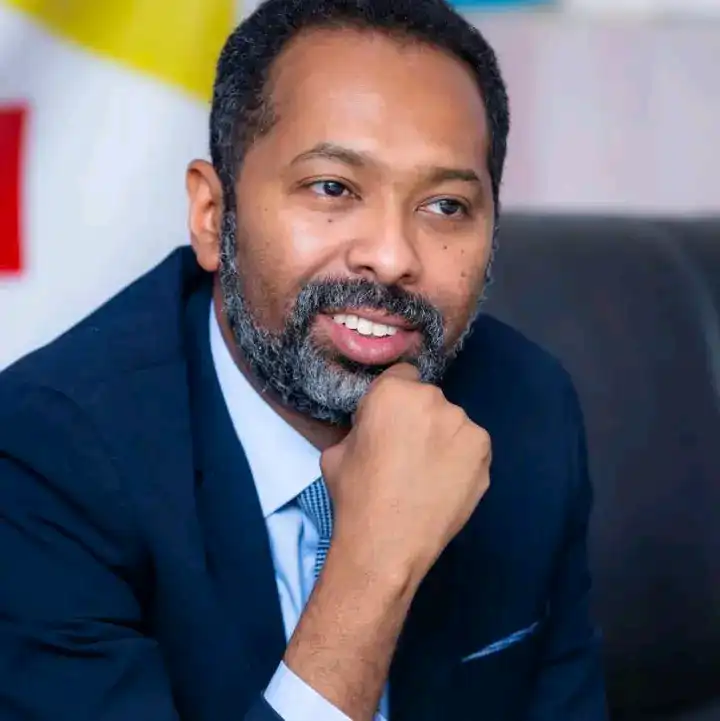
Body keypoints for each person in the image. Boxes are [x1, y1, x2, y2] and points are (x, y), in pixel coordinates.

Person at [0, 1, 607, 719]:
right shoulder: (44, 457)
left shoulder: (524, 407)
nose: (391, 256)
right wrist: (373, 564)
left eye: (445, 206)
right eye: (333, 188)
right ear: (211, 215)